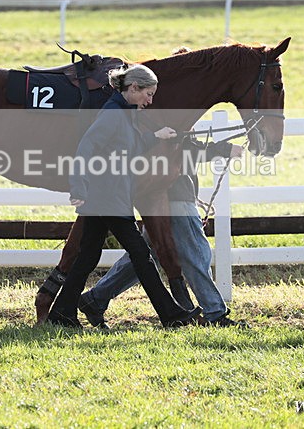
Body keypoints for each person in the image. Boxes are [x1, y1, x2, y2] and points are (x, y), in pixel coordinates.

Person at [47, 64, 201, 329]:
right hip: (107, 196)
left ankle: (62, 312)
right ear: (133, 88)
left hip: (109, 195)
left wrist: (157, 136)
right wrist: (78, 187)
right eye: (148, 94)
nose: (150, 101)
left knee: (88, 256)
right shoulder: (113, 115)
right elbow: (86, 148)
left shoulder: (123, 115)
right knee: (141, 255)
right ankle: (171, 315)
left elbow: (128, 146)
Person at [78, 136, 250, 328]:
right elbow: (181, 152)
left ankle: (96, 298)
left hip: (163, 196)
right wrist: (223, 149)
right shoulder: (168, 115)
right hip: (175, 197)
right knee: (196, 252)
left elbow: (183, 147)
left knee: (147, 256)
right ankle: (214, 313)